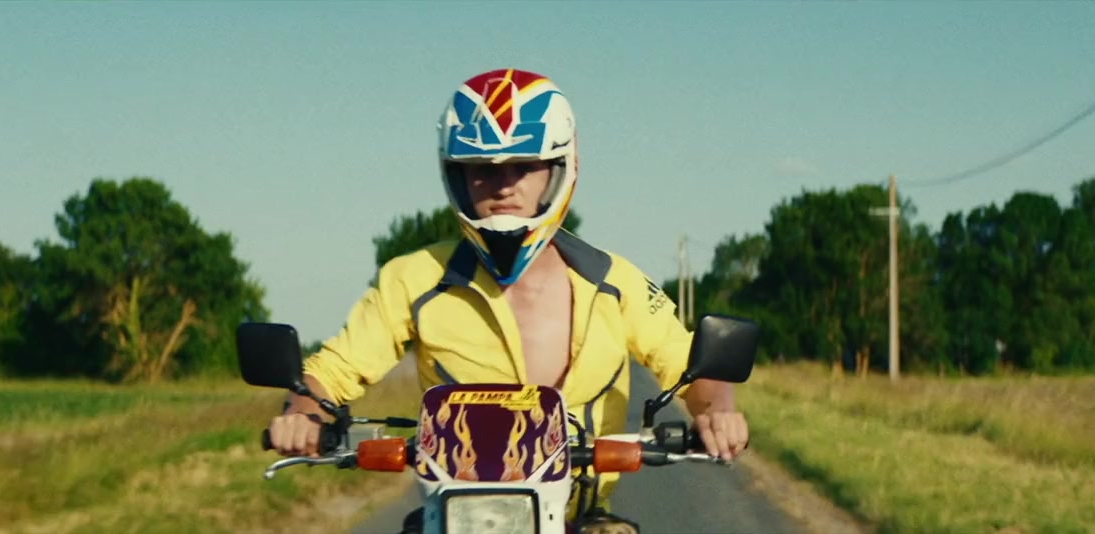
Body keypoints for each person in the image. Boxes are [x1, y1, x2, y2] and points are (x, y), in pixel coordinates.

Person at [266, 68, 750, 533]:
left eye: (525, 166)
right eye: (483, 170)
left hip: (583, 514)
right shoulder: (412, 279)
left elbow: (692, 367)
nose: (504, 186)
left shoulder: (615, 282)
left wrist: (716, 414)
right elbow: (332, 370)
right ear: (456, 175)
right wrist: (303, 413)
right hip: (454, 514)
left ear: (560, 170)